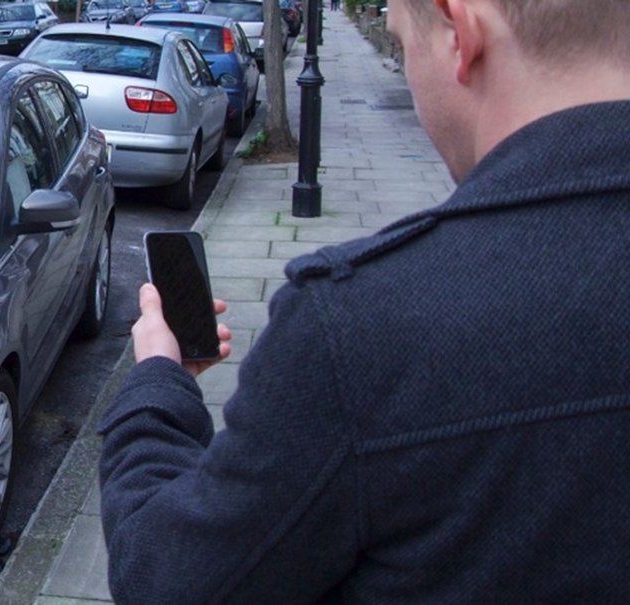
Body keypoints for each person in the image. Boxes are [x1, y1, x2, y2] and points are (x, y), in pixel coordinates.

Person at [98, 0, 630, 602]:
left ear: (462, 30)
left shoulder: (361, 330)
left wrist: (159, 385)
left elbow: (162, 579)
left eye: (403, 47)